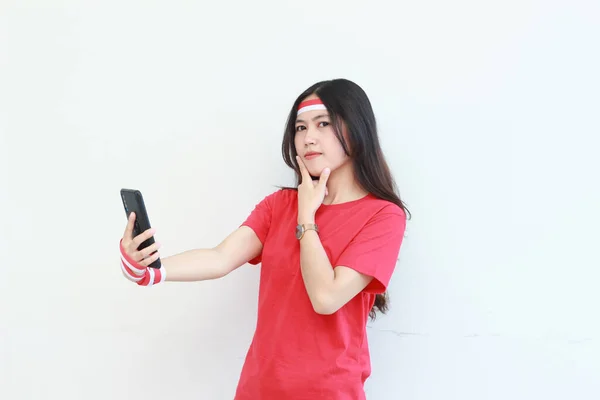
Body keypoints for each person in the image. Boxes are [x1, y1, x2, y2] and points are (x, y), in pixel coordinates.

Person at [119, 78, 409, 399]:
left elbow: (326, 298)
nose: (308, 138)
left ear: (356, 129)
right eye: (300, 128)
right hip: (259, 389)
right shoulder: (279, 206)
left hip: (330, 392)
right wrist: (150, 269)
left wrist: (307, 220)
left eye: (322, 123)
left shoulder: (383, 217)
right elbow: (220, 258)